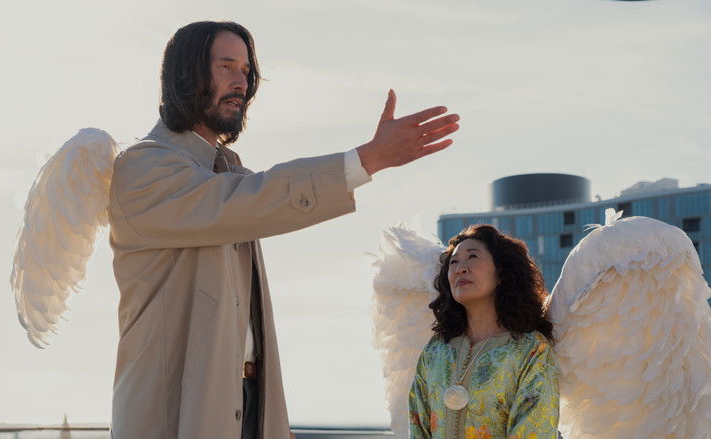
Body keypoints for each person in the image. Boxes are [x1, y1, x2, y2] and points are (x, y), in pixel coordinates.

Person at [107, 21, 460, 439]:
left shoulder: (224, 173)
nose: (241, 83)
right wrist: (366, 160)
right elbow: (253, 198)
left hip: (245, 405)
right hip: (171, 414)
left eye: (246, 71)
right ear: (186, 74)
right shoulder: (144, 167)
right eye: (226, 67)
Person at [408, 225, 558, 439]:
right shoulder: (435, 350)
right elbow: (417, 427)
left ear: (501, 273)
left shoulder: (531, 349)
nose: (460, 268)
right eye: (454, 262)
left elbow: (535, 431)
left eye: (472, 256)